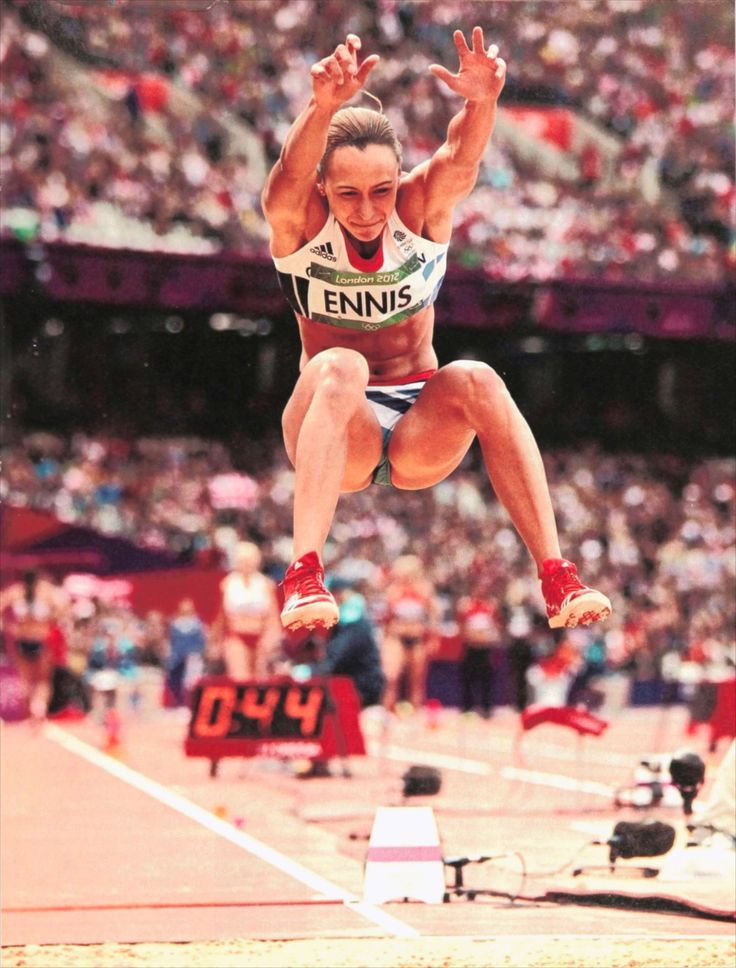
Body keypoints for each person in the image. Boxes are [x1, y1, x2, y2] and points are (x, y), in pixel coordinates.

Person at [261, 29, 612, 634]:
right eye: (348, 193)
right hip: (338, 424)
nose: (368, 211)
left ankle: (556, 574)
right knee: (344, 364)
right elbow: (290, 172)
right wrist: (321, 108)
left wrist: (481, 103)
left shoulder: (419, 208)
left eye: (381, 191)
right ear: (324, 189)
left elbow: (460, 159)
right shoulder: (300, 219)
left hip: (420, 424)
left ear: (400, 180)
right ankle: (304, 572)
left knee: (476, 375)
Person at [0, 569, 69, 721]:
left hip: (22, 639)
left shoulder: (16, 591)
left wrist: (10, 626)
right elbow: (63, 608)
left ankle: (30, 711)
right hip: (40, 639)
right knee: (43, 680)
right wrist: (50, 622)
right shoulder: (45, 591)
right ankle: (39, 708)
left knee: (26, 680)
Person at [211, 541, 282, 679]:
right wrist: (215, 642)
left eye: (250, 560)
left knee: (260, 679)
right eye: (243, 560)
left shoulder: (266, 584)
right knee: (240, 677)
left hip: (260, 637)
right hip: (236, 637)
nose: (246, 564)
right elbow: (220, 617)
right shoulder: (227, 584)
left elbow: (273, 617)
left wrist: (270, 640)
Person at [380, 554, 440, 712]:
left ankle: (415, 716)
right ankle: (388, 716)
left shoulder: (424, 590)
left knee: (416, 681)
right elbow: (386, 617)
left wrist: (434, 638)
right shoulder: (393, 590)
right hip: (396, 637)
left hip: (416, 638)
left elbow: (434, 615)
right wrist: (385, 639)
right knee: (392, 678)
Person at [456, 575, 503, 718]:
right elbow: (461, 625)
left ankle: (486, 708)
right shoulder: (466, 605)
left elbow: (497, 625)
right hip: (470, 647)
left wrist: (489, 638)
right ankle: (467, 707)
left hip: (485, 648)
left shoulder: (491, 606)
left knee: (486, 678)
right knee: (468, 678)